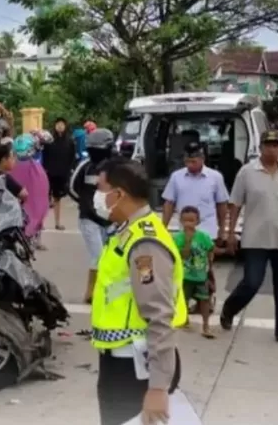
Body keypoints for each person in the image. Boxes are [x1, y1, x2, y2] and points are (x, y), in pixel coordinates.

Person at [92, 158, 186, 425]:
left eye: (101, 190)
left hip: (137, 369)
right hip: (124, 362)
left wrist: (157, 387)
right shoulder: (129, 231)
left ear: (119, 194)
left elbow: (159, 316)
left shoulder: (145, 245)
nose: (97, 198)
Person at [220, 130, 278, 343]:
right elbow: (235, 203)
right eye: (268, 144)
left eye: (276, 145)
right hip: (254, 238)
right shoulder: (247, 172)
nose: (272, 148)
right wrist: (230, 233)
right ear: (260, 148)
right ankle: (230, 308)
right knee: (252, 281)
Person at [68, 128, 114, 303]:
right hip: (89, 220)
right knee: (98, 256)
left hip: (110, 220)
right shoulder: (85, 166)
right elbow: (71, 187)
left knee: (109, 256)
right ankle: (92, 293)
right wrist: (87, 205)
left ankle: (102, 291)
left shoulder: (116, 167)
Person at [161, 141, 229, 244]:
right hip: (184, 233)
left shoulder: (215, 177)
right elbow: (169, 204)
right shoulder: (176, 177)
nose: (190, 165)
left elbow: (221, 205)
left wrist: (222, 229)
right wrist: (163, 228)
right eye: (187, 161)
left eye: (193, 162)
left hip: (208, 233)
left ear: (202, 159)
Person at [174, 206, 216, 338]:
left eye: (191, 221)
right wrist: (187, 241)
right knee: (183, 299)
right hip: (185, 276)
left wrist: (210, 265)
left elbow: (211, 249)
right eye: (185, 221)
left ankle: (206, 325)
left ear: (197, 221)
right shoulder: (178, 238)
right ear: (181, 221)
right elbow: (181, 255)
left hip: (201, 276)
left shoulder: (203, 236)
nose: (188, 224)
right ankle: (184, 319)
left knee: (205, 301)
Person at [11, 134, 50, 250]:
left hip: (22, 200)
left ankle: (31, 240)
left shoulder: (14, 165)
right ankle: (33, 240)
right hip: (28, 200)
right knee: (35, 213)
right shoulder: (35, 167)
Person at [42, 117, 76, 230]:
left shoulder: (70, 141)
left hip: (62, 174)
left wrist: (69, 170)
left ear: (65, 126)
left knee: (57, 198)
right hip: (49, 173)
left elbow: (72, 158)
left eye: (62, 124)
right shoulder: (49, 140)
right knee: (45, 199)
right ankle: (40, 223)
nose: (60, 126)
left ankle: (57, 223)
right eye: (58, 124)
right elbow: (44, 155)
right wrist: (44, 169)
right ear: (55, 126)